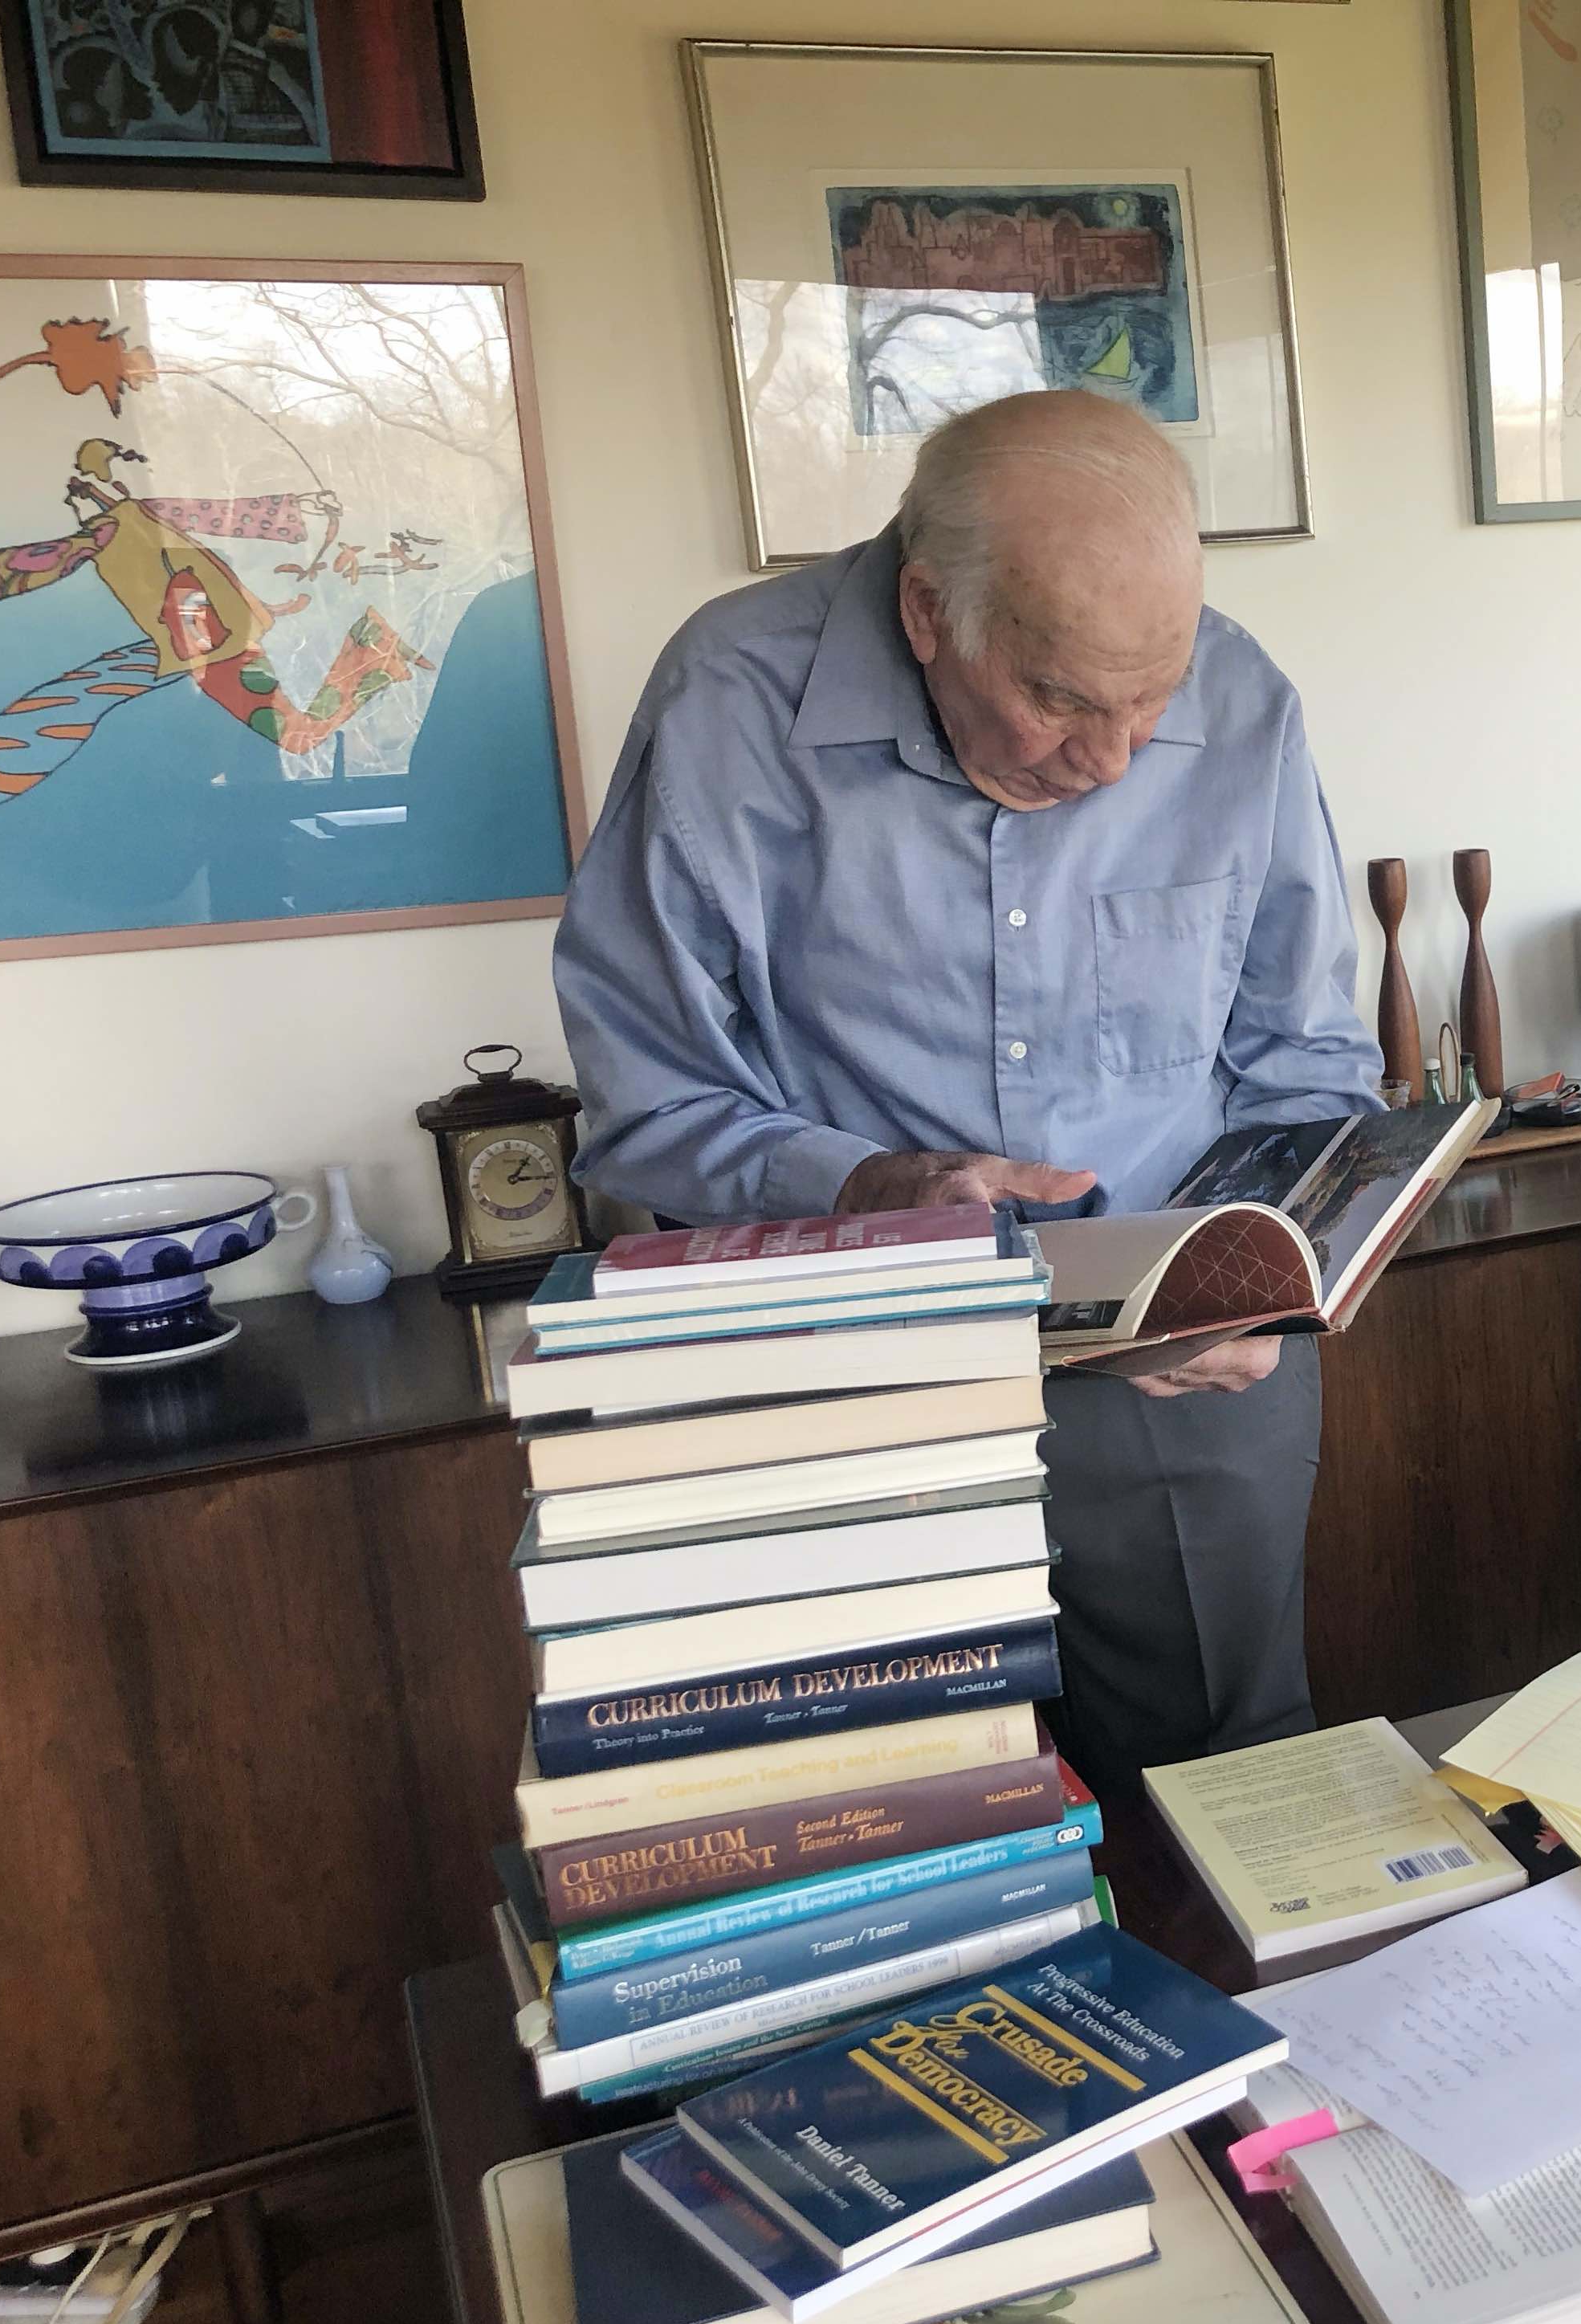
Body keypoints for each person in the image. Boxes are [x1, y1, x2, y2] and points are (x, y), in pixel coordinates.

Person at [553, 390, 1382, 1777]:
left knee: (1228, 1796)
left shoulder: (1242, 697)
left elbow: (1305, 1068)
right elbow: (646, 1105)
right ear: (929, 612)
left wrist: (1258, 1284)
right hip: (850, 1379)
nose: (1110, 761)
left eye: (1150, 703)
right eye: (1058, 701)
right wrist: (870, 1188)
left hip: (1180, 1380)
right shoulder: (731, 698)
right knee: (898, 1823)